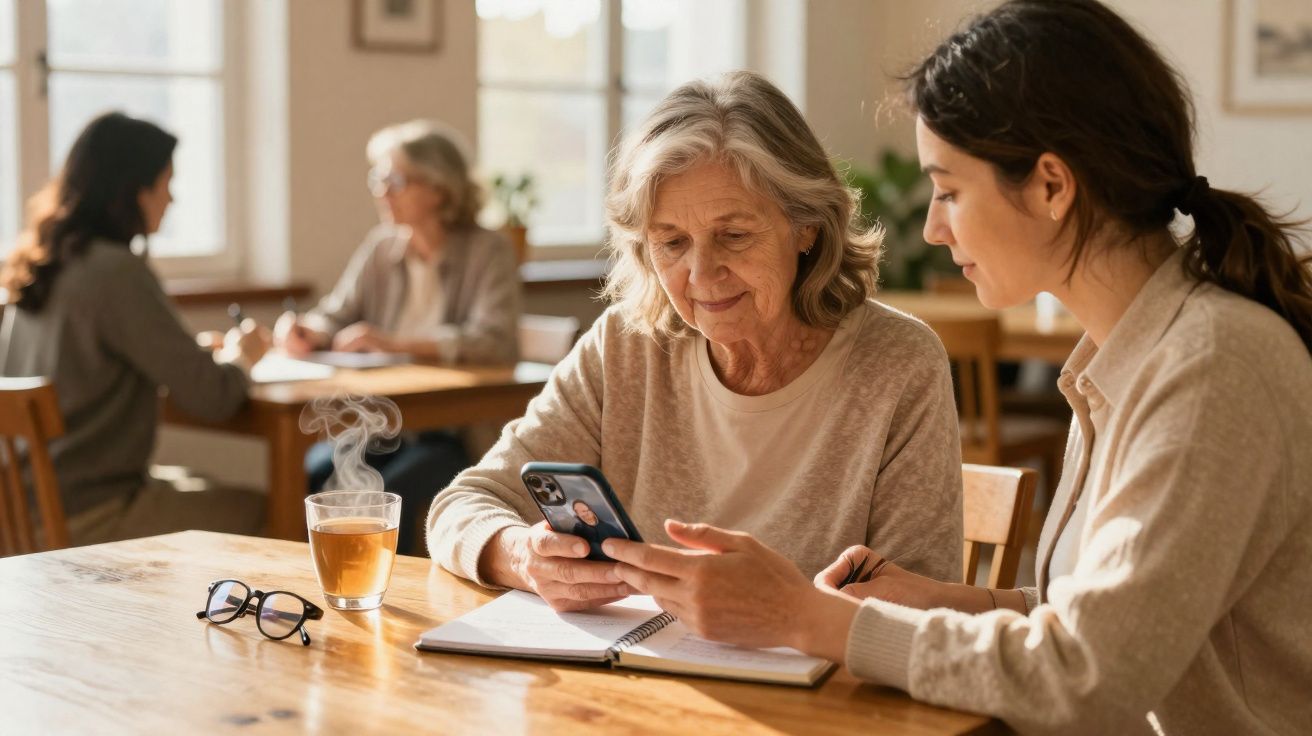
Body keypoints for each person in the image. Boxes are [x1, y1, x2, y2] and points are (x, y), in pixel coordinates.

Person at [602, 2, 1312, 733]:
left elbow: (1089, 676)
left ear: (1051, 187)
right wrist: (948, 602)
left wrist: (804, 617)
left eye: (949, 190)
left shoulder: (1213, 368)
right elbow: (1109, 624)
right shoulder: (1120, 362)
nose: (935, 228)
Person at [427, 71, 963, 612]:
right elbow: (464, 503)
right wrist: (520, 554)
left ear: (807, 226)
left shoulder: (899, 364)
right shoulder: (625, 346)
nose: (702, 274)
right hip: (635, 683)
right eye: (673, 242)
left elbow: (919, 614)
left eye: (734, 235)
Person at [0, 111, 270, 546]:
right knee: (270, 512)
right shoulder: (116, 271)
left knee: (197, 481)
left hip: (20, 510)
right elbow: (214, 396)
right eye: (167, 183)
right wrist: (244, 355)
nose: (172, 199)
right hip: (86, 514)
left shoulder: (41, 265)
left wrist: (186, 351)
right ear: (134, 190)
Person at [275, 119, 521, 555]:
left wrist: (395, 343)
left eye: (395, 180)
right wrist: (307, 330)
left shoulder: (488, 250)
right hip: (385, 424)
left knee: (389, 493)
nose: (381, 191)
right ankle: (326, 592)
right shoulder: (381, 247)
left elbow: (494, 341)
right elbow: (336, 312)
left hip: (453, 431)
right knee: (316, 472)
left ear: (439, 188)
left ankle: (390, 602)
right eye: (379, 178)